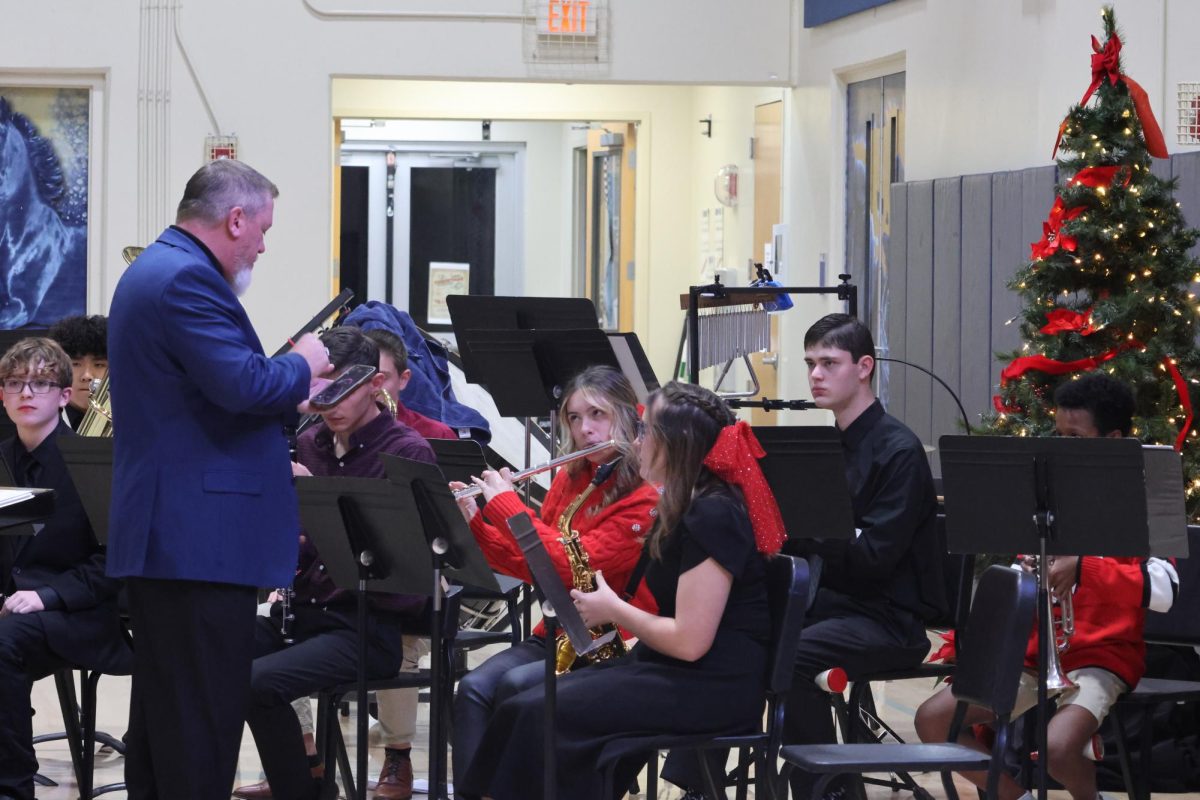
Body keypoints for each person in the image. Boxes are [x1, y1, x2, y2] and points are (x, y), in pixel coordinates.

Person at [106, 158, 332, 800]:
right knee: (200, 728)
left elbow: (209, 392)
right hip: (196, 541)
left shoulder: (159, 267)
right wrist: (301, 360)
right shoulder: (186, 279)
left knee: (167, 724)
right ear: (235, 219)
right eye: (262, 228)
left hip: (175, 537)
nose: (263, 243)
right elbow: (240, 383)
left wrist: (294, 393)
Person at [459, 381, 785, 800]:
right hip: (669, 668)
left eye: (647, 431)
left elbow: (689, 642)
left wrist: (613, 608)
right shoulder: (685, 503)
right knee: (522, 706)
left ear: (677, 444)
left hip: (711, 685)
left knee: (540, 712)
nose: (636, 440)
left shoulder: (714, 513)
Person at [915, 372, 1179, 800]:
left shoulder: (1148, 502)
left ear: (1112, 440)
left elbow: (1165, 592)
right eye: (1057, 435)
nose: (1059, 449)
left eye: (1074, 438)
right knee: (933, 720)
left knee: (1056, 750)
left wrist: (1085, 567)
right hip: (1037, 654)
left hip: (1102, 657)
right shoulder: (1042, 493)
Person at [240, 326, 435, 800]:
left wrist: (320, 506)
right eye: (319, 388)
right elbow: (299, 552)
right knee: (211, 650)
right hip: (308, 614)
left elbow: (408, 581)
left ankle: (303, 788)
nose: (329, 402)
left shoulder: (407, 452)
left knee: (256, 682)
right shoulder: (312, 445)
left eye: (342, 387)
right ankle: (303, 777)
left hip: (370, 625)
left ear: (373, 384)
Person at [448, 365, 660, 792]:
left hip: (610, 641)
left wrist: (510, 506)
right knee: (471, 689)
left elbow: (574, 566)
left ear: (627, 417)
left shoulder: (647, 496)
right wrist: (479, 524)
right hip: (559, 630)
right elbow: (535, 567)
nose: (586, 430)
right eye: (575, 419)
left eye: (598, 415)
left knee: (513, 688)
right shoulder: (570, 477)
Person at [782, 313, 944, 799]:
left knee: (788, 655)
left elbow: (874, 558)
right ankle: (696, 784)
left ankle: (826, 791)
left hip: (887, 619)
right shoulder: (825, 448)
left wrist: (810, 533)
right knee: (737, 629)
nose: (815, 375)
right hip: (834, 606)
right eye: (810, 363)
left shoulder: (898, 450)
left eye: (829, 363)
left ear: (864, 367)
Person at [0, 338, 129, 800]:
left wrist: (45, 597)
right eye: (14, 383)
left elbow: (111, 563)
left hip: (80, 615)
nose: (26, 393)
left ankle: (12, 787)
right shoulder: (6, 461)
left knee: (3, 644)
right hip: (17, 609)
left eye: (39, 383)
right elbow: (13, 552)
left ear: (62, 395)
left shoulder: (91, 463)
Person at [364, 327, 456, 440]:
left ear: (403, 379)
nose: (372, 387)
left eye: (382, 378)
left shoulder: (437, 434)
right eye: (365, 377)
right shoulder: (340, 430)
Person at [46, 314, 107, 430]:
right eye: (75, 364)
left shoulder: (132, 424)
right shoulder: (39, 423)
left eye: (99, 365)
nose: (87, 376)